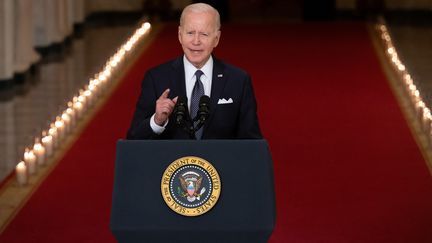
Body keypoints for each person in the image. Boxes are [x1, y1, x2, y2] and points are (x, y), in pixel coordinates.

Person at [126, 3, 262, 140]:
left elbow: (252, 143)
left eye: (204, 34)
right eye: (190, 33)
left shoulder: (238, 80)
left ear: (216, 39)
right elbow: (133, 139)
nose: (196, 41)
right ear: (180, 35)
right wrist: (157, 121)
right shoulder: (156, 78)